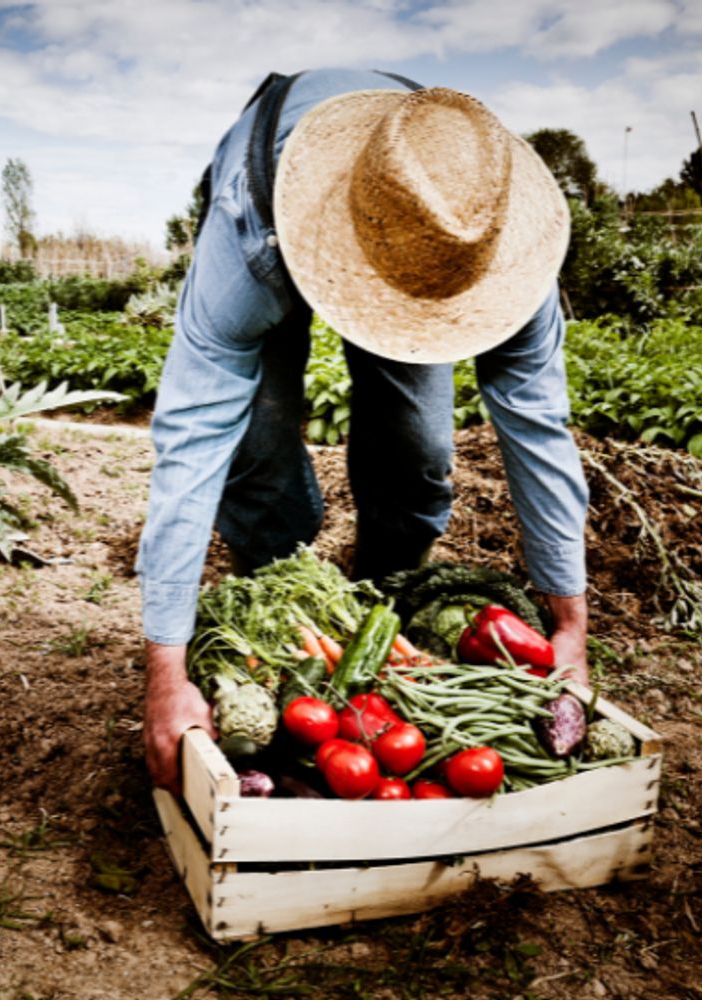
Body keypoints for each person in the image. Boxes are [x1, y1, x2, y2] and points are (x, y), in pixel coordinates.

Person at [136, 68, 590, 792]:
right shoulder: (248, 236)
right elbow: (191, 437)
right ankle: (275, 608)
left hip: (418, 232)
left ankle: (383, 607)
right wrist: (164, 671)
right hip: (277, 204)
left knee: (419, 449)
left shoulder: (492, 240)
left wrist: (572, 624)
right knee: (257, 450)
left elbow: (538, 426)